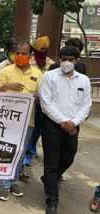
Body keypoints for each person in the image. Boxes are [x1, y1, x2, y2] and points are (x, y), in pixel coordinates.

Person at [39, 46, 92, 214]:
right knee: (51, 163)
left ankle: (49, 180)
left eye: (71, 60)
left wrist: (74, 123)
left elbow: (86, 105)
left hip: (73, 127)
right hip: (51, 126)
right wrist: (65, 123)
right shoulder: (49, 77)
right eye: (64, 59)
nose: (67, 62)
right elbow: (46, 104)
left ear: (77, 60)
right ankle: (52, 201)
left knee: (68, 158)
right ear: (59, 59)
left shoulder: (84, 80)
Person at [0, 41, 42, 201]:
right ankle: (4, 185)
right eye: (18, 53)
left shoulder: (38, 74)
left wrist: (38, 98)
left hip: (28, 122)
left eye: (24, 53)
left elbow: (44, 97)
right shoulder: (6, 71)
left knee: (20, 153)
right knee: (7, 152)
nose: (20, 56)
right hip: (7, 120)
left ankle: (13, 180)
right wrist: (6, 86)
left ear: (31, 55)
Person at [24, 36, 55, 166]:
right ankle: (26, 152)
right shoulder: (28, 62)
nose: (44, 50)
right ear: (35, 49)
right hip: (30, 101)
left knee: (39, 128)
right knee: (29, 127)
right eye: (41, 48)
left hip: (44, 102)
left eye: (46, 49)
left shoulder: (51, 64)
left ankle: (32, 147)